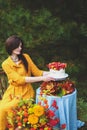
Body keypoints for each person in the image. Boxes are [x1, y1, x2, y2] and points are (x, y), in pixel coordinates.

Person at [0, 35, 55, 130]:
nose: (20, 48)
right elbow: (19, 80)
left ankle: (14, 127)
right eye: (17, 46)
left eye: (21, 46)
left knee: (6, 108)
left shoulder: (26, 57)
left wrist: (53, 73)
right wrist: (42, 79)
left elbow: (38, 72)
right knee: (1, 108)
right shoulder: (6, 64)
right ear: (10, 47)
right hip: (11, 92)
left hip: (26, 92)